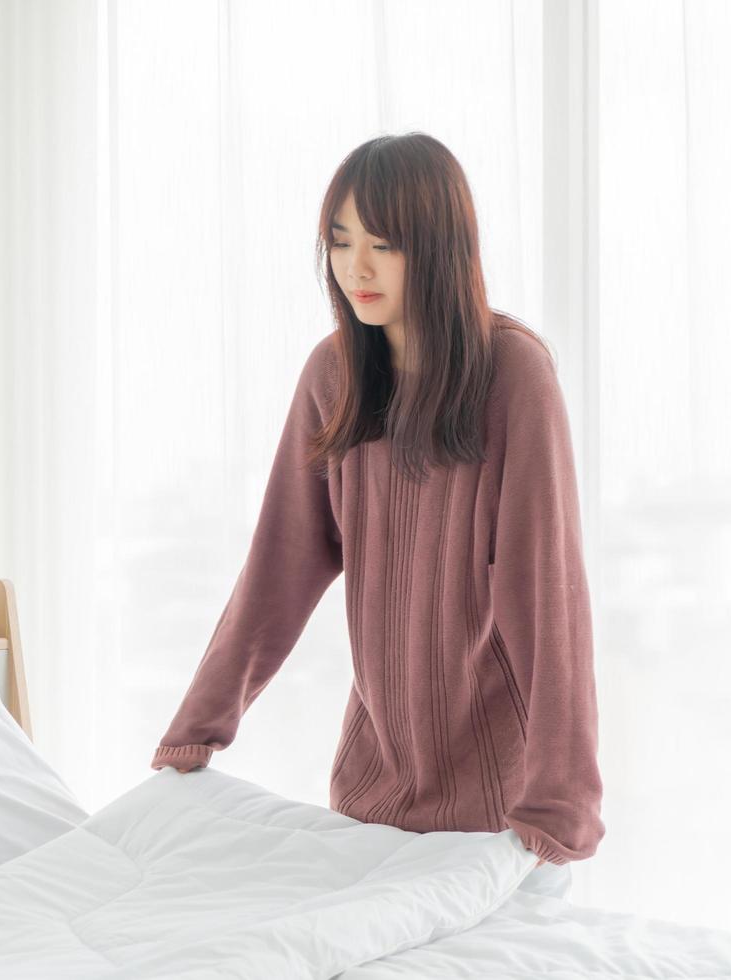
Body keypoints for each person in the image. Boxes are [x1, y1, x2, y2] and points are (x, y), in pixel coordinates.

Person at [149, 133, 603, 893]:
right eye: (339, 241)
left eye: (384, 244)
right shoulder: (334, 373)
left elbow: (545, 591)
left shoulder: (513, 374)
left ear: (439, 247)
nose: (356, 267)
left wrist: (559, 804)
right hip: (367, 797)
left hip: (503, 820)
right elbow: (279, 566)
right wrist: (192, 734)